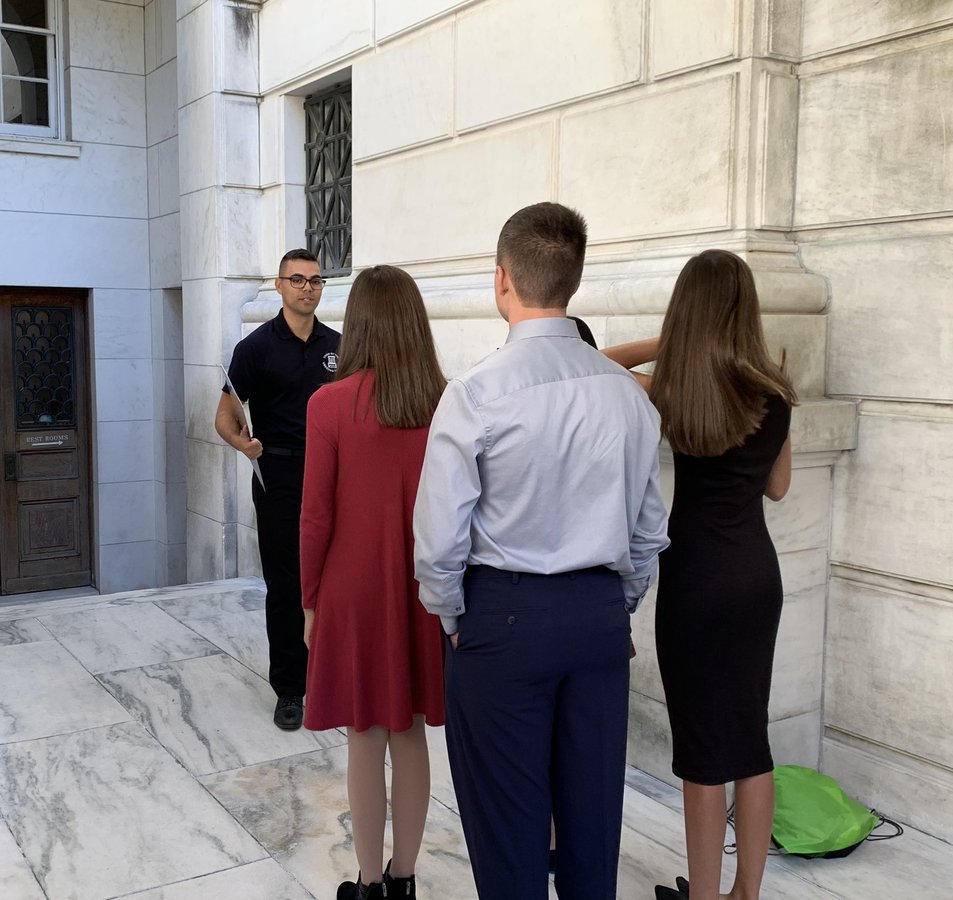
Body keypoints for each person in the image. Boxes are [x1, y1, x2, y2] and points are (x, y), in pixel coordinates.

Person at [413, 202, 669, 899]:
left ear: (501, 280)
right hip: (595, 617)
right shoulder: (627, 396)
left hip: (503, 618)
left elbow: (438, 540)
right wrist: (612, 604)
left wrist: (452, 614)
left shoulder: (475, 394)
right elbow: (649, 532)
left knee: (508, 832)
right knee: (592, 829)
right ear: (574, 282)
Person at [605, 250, 796, 900]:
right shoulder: (774, 390)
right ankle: (747, 893)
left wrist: (677, 337)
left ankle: (707, 897)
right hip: (755, 578)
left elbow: (599, 361)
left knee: (702, 750)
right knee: (750, 736)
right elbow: (778, 487)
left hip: (696, 578)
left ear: (689, 312)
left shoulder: (678, 388)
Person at [300, 265, 448, 900]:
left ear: (356, 324)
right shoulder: (444, 402)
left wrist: (309, 599)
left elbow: (316, 515)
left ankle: (366, 883)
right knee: (410, 729)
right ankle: (405, 877)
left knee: (365, 734)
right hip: (424, 585)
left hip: (353, 587)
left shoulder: (329, 404)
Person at [215, 248, 341, 731]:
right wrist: (242, 443)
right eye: (298, 280)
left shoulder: (340, 345)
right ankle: (290, 689)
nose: (307, 288)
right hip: (280, 480)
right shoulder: (255, 348)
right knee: (287, 587)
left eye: (314, 280)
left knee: (332, 584)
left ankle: (331, 679)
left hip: (333, 478)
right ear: (279, 285)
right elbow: (224, 414)